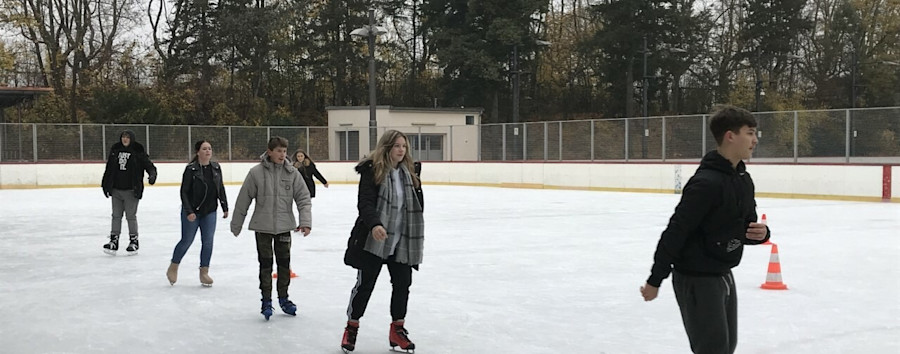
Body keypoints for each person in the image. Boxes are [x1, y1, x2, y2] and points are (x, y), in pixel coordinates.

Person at [640, 105, 771, 354]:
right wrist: (655, 279)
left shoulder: (743, 180)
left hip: (723, 272)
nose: (755, 140)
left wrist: (761, 234)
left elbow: (744, 228)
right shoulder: (705, 183)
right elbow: (676, 232)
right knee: (713, 349)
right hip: (696, 277)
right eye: (750, 133)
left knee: (725, 347)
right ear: (730, 136)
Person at [341, 130, 424, 353]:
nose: (401, 150)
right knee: (365, 285)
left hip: (402, 241)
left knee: (402, 285)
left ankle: (397, 330)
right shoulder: (372, 171)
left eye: (404, 146)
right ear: (386, 147)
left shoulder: (410, 173)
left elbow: (417, 204)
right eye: (397, 146)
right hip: (373, 240)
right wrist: (375, 224)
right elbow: (365, 202)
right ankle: (352, 327)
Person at [230, 136, 312, 320]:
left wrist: (305, 221)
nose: (282, 155)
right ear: (269, 152)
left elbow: (303, 198)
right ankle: (266, 300)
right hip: (263, 227)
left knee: (284, 265)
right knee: (265, 265)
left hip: (284, 226)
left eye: (284, 151)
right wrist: (237, 224)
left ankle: (284, 298)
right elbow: (243, 200)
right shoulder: (256, 173)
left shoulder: (292, 173)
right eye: (278, 151)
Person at [167, 140, 229, 287]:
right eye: (204, 149)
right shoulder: (191, 169)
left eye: (209, 149)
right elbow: (184, 192)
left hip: (210, 211)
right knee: (187, 240)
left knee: (208, 242)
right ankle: (173, 266)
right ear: (198, 152)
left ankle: (204, 272)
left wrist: (224, 206)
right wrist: (189, 211)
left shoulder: (216, 167)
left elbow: (220, 187)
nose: (208, 151)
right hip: (192, 212)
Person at [101, 130, 157, 255]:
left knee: (130, 216)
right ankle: (114, 240)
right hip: (116, 189)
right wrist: (105, 184)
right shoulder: (115, 150)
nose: (125, 139)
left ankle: (134, 240)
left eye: (127, 137)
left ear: (131, 138)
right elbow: (109, 169)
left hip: (132, 190)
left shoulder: (137, 151)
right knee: (116, 216)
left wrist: (152, 175)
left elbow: (149, 165)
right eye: (123, 137)